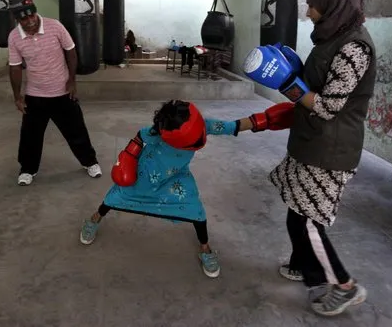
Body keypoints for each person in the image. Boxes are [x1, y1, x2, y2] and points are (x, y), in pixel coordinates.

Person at [243, 0, 376, 316]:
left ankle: (343, 285)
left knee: (305, 219)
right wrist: (292, 72)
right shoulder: (332, 36)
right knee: (296, 211)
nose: (307, 12)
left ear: (332, 4)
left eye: (313, 4)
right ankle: (306, 266)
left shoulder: (353, 47)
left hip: (329, 148)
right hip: (311, 139)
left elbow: (330, 106)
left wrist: (289, 83)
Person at [79, 99, 258, 278]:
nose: (199, 137)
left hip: (175, 177)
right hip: (145, 177)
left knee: (195, 209)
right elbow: (140, 136)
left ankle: (205, 248)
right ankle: (94, 219)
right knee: (116, 196)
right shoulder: (156, 133)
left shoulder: (201, 125)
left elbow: (233, 126)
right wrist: (128, 156)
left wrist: (262, 120)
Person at [7, 0, 102, 186]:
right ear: (17, 19)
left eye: (32, 15)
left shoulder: (55, 26)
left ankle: (90, 162)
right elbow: (15, 67)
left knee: (77, 131)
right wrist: (17, 96)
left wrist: (72, 81)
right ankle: (27, 169)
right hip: (35, 96)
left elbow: (71, 51)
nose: (31, 20)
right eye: (24, 19)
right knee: (30, 136)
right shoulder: (14, 37)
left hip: (63, 93)